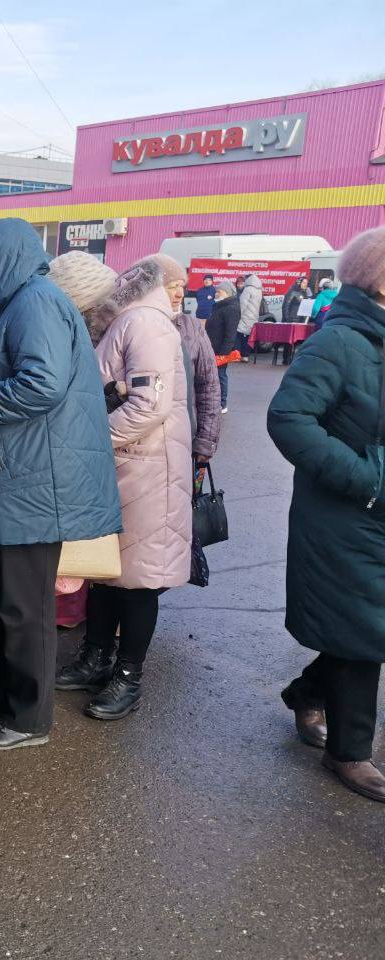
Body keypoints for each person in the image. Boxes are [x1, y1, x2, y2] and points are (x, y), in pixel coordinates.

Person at [0, 220, 121, 749]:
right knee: (3, 596)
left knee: (25, 607)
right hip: (23, 479)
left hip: (38, 482)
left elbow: (40, 384)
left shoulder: (35, 303)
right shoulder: (20, 305)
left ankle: (29, 718)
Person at [268, 226, 385, 803]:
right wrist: (366, 479)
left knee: (362, 626)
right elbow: (289, 420)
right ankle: (350, 752)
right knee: (364, 632)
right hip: (346, 514)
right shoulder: (339, 342)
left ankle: (306, 692)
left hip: (373, 512)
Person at [55, 261, 192, 718]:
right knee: (108, 572)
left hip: (147, 472)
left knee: (138, 581)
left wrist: (91, 437)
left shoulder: (144, 324)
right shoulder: (132, 322)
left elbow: (147, 406)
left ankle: (128, 675)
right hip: (128, 467)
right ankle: (96, 658)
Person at [140, 254, 221, 465]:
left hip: (184, 435)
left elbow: (209, 385)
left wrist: (205, 440)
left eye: (182, 286)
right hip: (143, 442)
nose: (179, 294)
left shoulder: (191, 328)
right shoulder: (135, 324)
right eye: (171, 287)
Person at [207, 280, 240, 412]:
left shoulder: (231, 309)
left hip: (221, 350)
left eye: (219, 291)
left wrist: (223, 354)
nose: (216, 294)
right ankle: (215, 401)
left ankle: (222, 403)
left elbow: (230, 334)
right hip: (213, 347)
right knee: (214, 376)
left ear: (226, 292)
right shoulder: (221, 306)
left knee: (220, 375)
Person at [237, 273, 264, 361]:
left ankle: (241, 355)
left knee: (241, 336)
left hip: (245, 316)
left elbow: (243, 304)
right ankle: (246, 355)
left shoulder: (247, 289)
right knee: (249, 336)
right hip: (254, 316)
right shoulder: (259, 290)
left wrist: (238, 315)